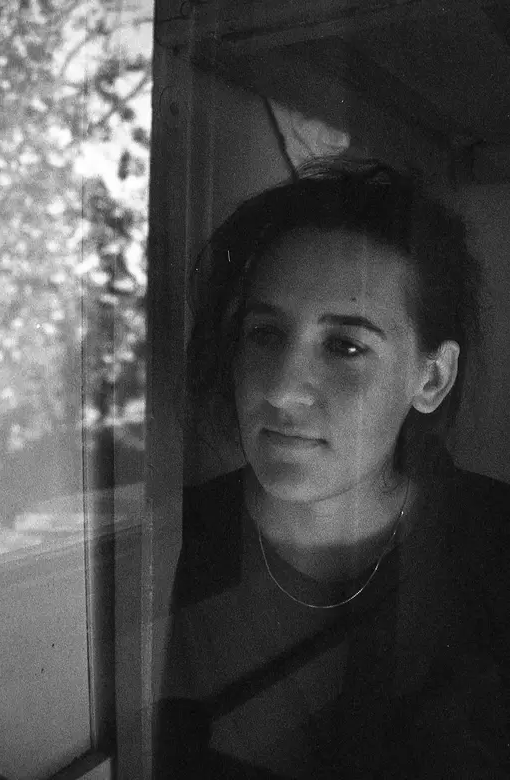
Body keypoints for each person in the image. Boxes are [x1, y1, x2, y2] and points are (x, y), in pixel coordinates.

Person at [156, 159, 510, 779]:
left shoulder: (496, 547)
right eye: (265, 334)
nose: (282, 391)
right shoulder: (167, 548)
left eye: (346, 346)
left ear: (431, 377)